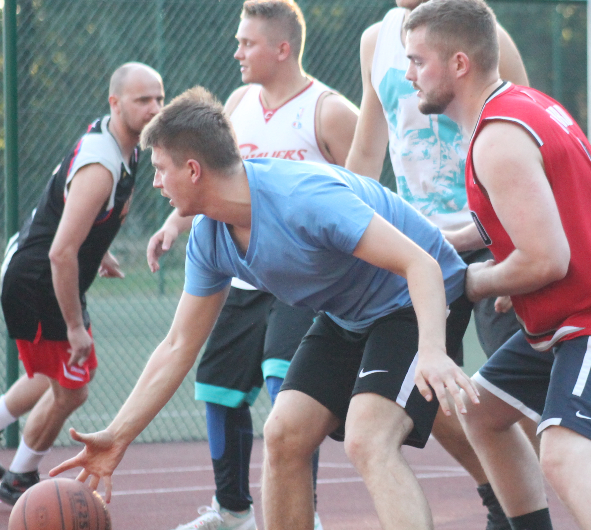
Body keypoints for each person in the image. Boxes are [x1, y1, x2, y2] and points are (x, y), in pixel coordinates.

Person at [50, 87, 479, 530]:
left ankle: (503, 490)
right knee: (283, 436)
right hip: (348, 313)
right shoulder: (209, 239)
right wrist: (118, 435)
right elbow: (178, 345)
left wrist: (432, 351)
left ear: (193, 170)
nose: (155, 182)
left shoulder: (301, 198)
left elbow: (422, 264)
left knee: (368, 439)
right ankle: (503, 488)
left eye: (161, 169)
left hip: (417, 297)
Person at [401, 0, 591, 530]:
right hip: (572, 321)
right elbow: (522, 220)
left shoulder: (497, 139)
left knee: (566, 457)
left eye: (417, 60)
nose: (409, 75)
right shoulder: (525, 106)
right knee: (481, 412)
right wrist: (445, 243)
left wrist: (473, 280)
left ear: (459, 64)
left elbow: (546, 259)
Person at [345, 0, 530, 530]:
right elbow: (369, 148)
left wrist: (512, 244)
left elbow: (523, 132)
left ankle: (519, 507)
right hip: (417, 245)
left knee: (508, 398)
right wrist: (343, 218)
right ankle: (498, 495)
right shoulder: (375, 40)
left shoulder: (488, 38)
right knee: (428, 384)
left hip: (487, 240)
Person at [147, 0, 357, 530]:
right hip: (243, 272)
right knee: (216, 387)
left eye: (248, 42)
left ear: (282, 48)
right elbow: (212, 181)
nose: (237, 51)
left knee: (282, 381)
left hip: (303, 277)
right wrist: (176, 223)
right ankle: (232, 511)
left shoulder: (328, 110)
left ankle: (297, 511)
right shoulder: (238, 104)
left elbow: (362, 194)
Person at [0, 63, 165, 505]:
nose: (154, 108)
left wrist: (98, 250)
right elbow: (60, 252)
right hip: (38, 281)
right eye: (144, 100)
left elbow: (75, 217)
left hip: (43, 273)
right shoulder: (102, 162)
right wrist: (74, 326)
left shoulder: (130, 146)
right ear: (115, 103)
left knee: (54, 374)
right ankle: (20, 477)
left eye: (159, 98)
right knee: (72, 387)